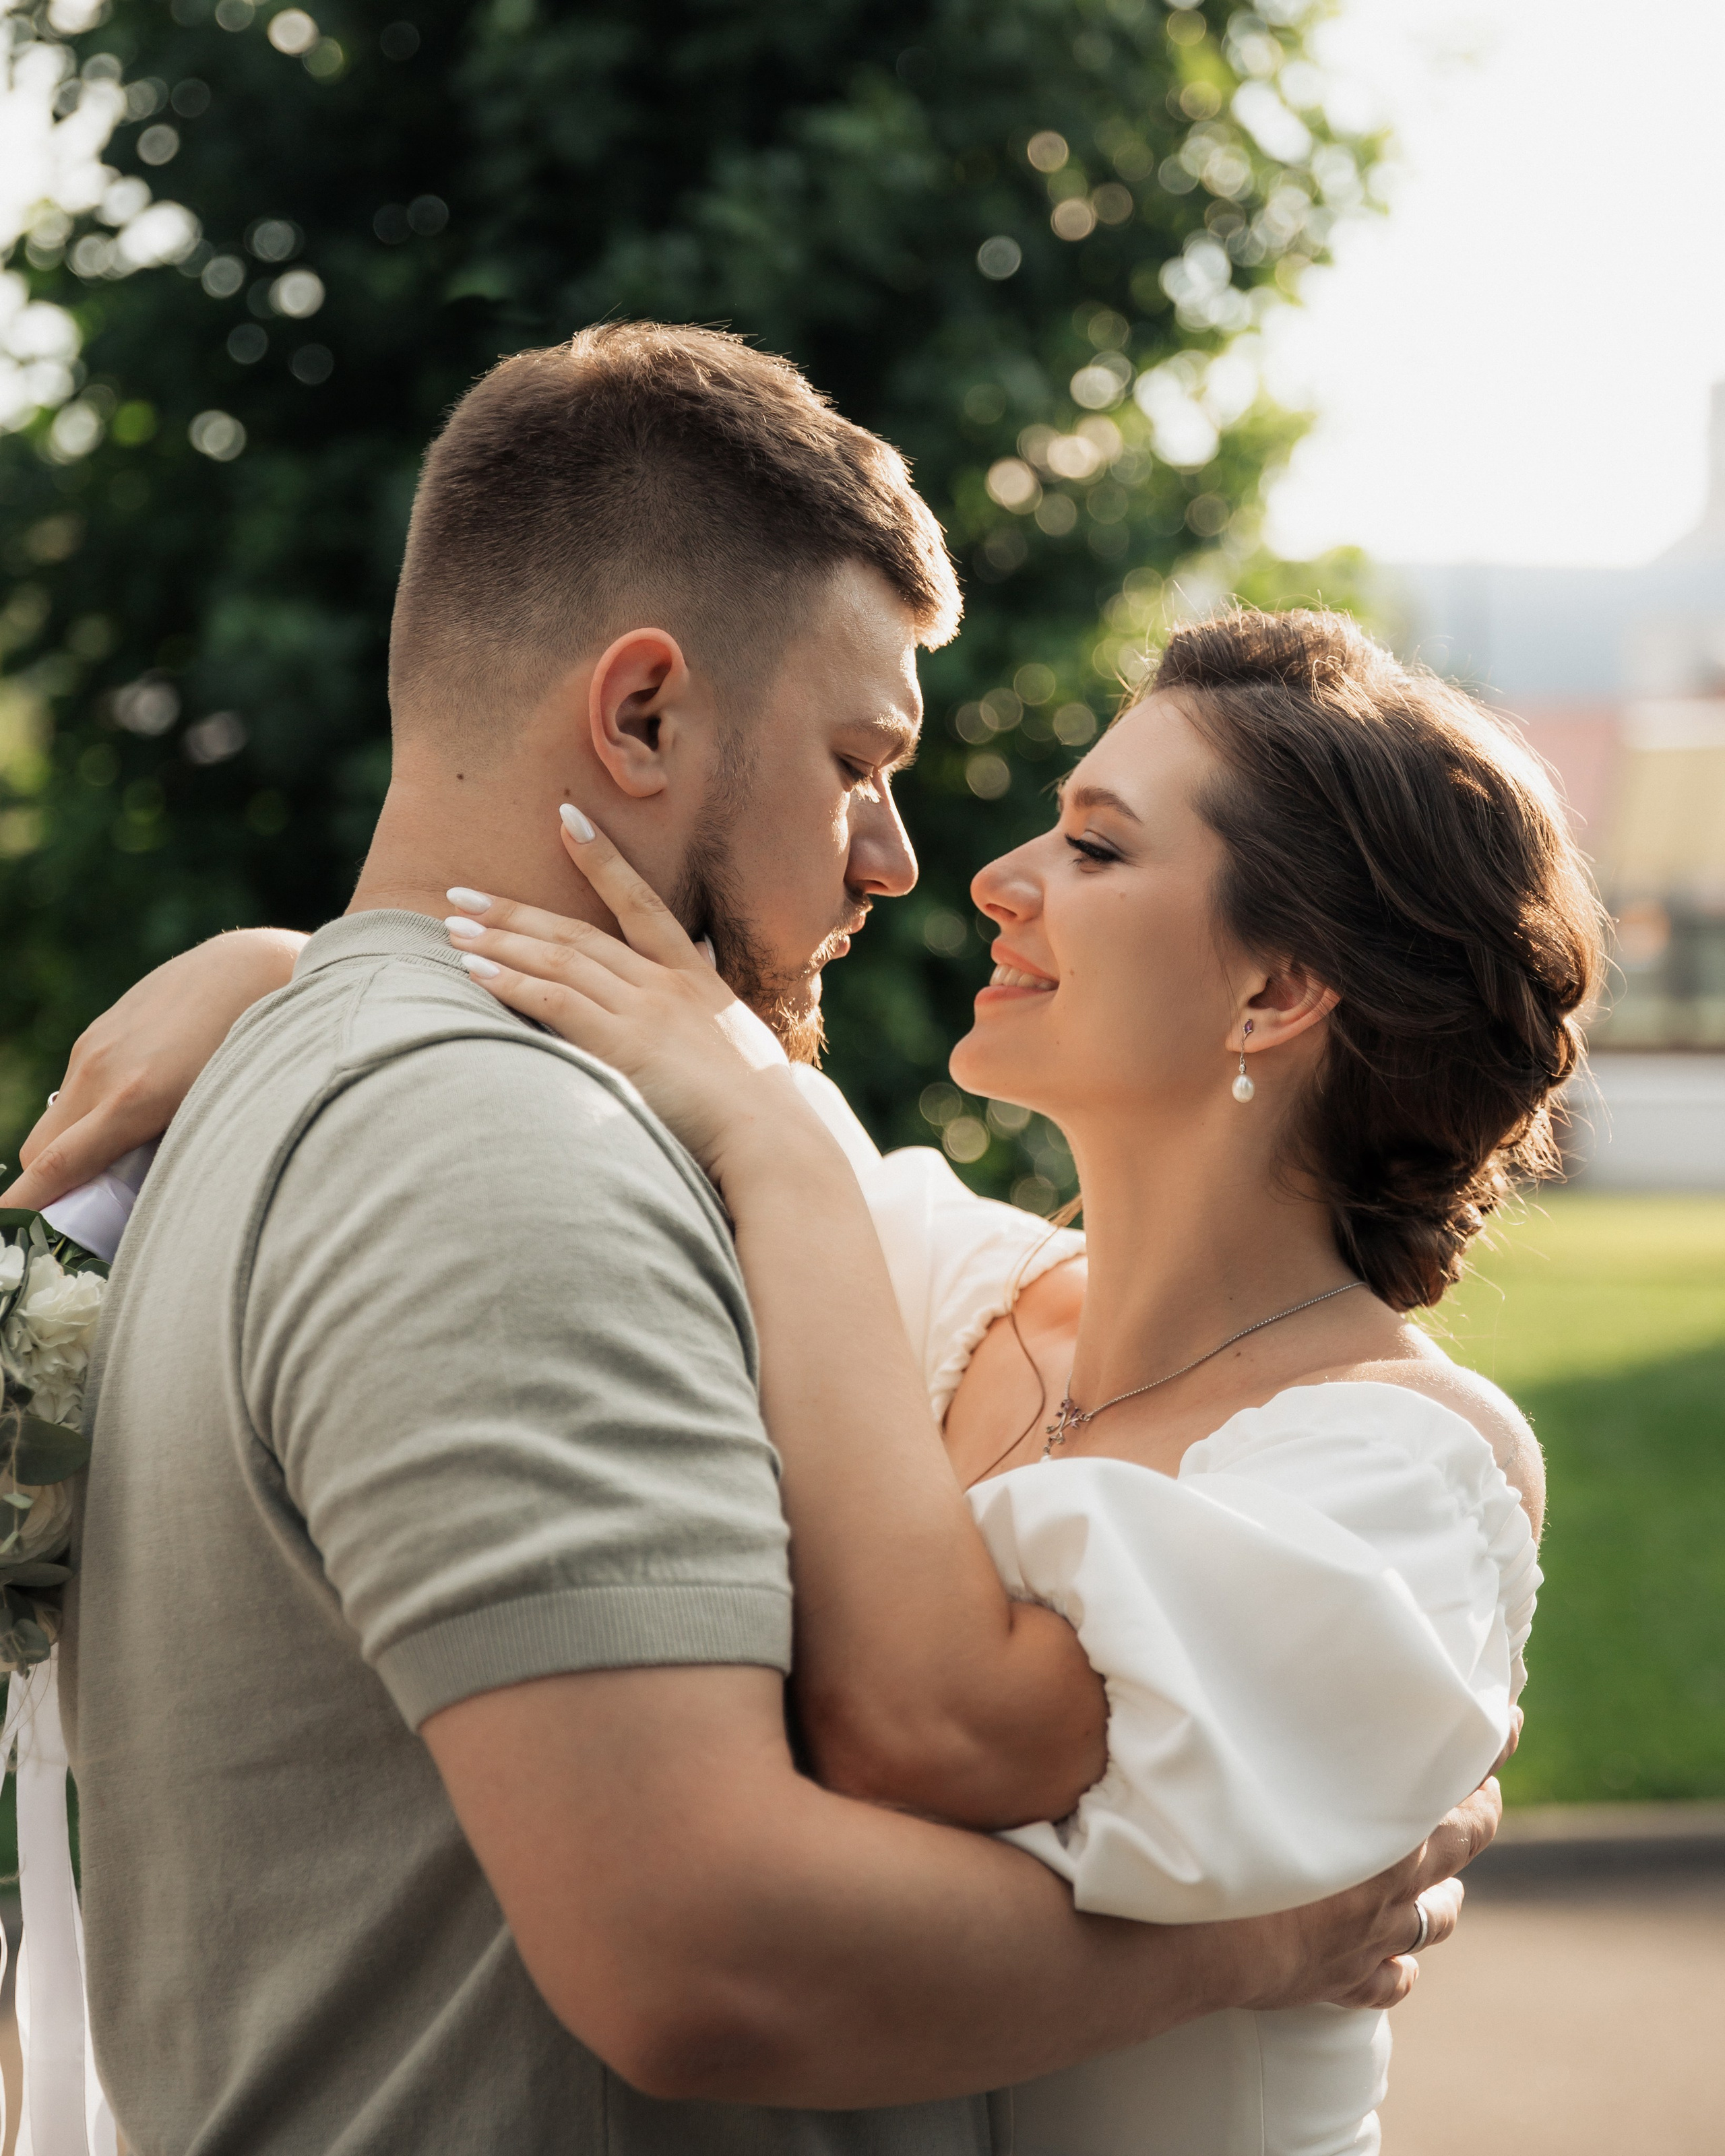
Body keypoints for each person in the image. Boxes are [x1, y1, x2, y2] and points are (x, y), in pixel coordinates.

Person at [1, 329, 1491, 2155]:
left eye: (1095, 849)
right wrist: (1264, 1945)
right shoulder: (509, 1162)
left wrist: (301, 975)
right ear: (639, 718)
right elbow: (721, 1943)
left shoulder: (746, 1199)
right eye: (863, 757)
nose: (915, 864)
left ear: (1282, 989)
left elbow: (792, 1184)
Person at [389, 604, 1598, 2151]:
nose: (994, 879)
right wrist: (254, 975)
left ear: (1273, 992)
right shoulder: (940, 1281)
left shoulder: (1402, 1476)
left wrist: (765, 1132)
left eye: (1093, 850)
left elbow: (930, 1725)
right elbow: (602, 1035)